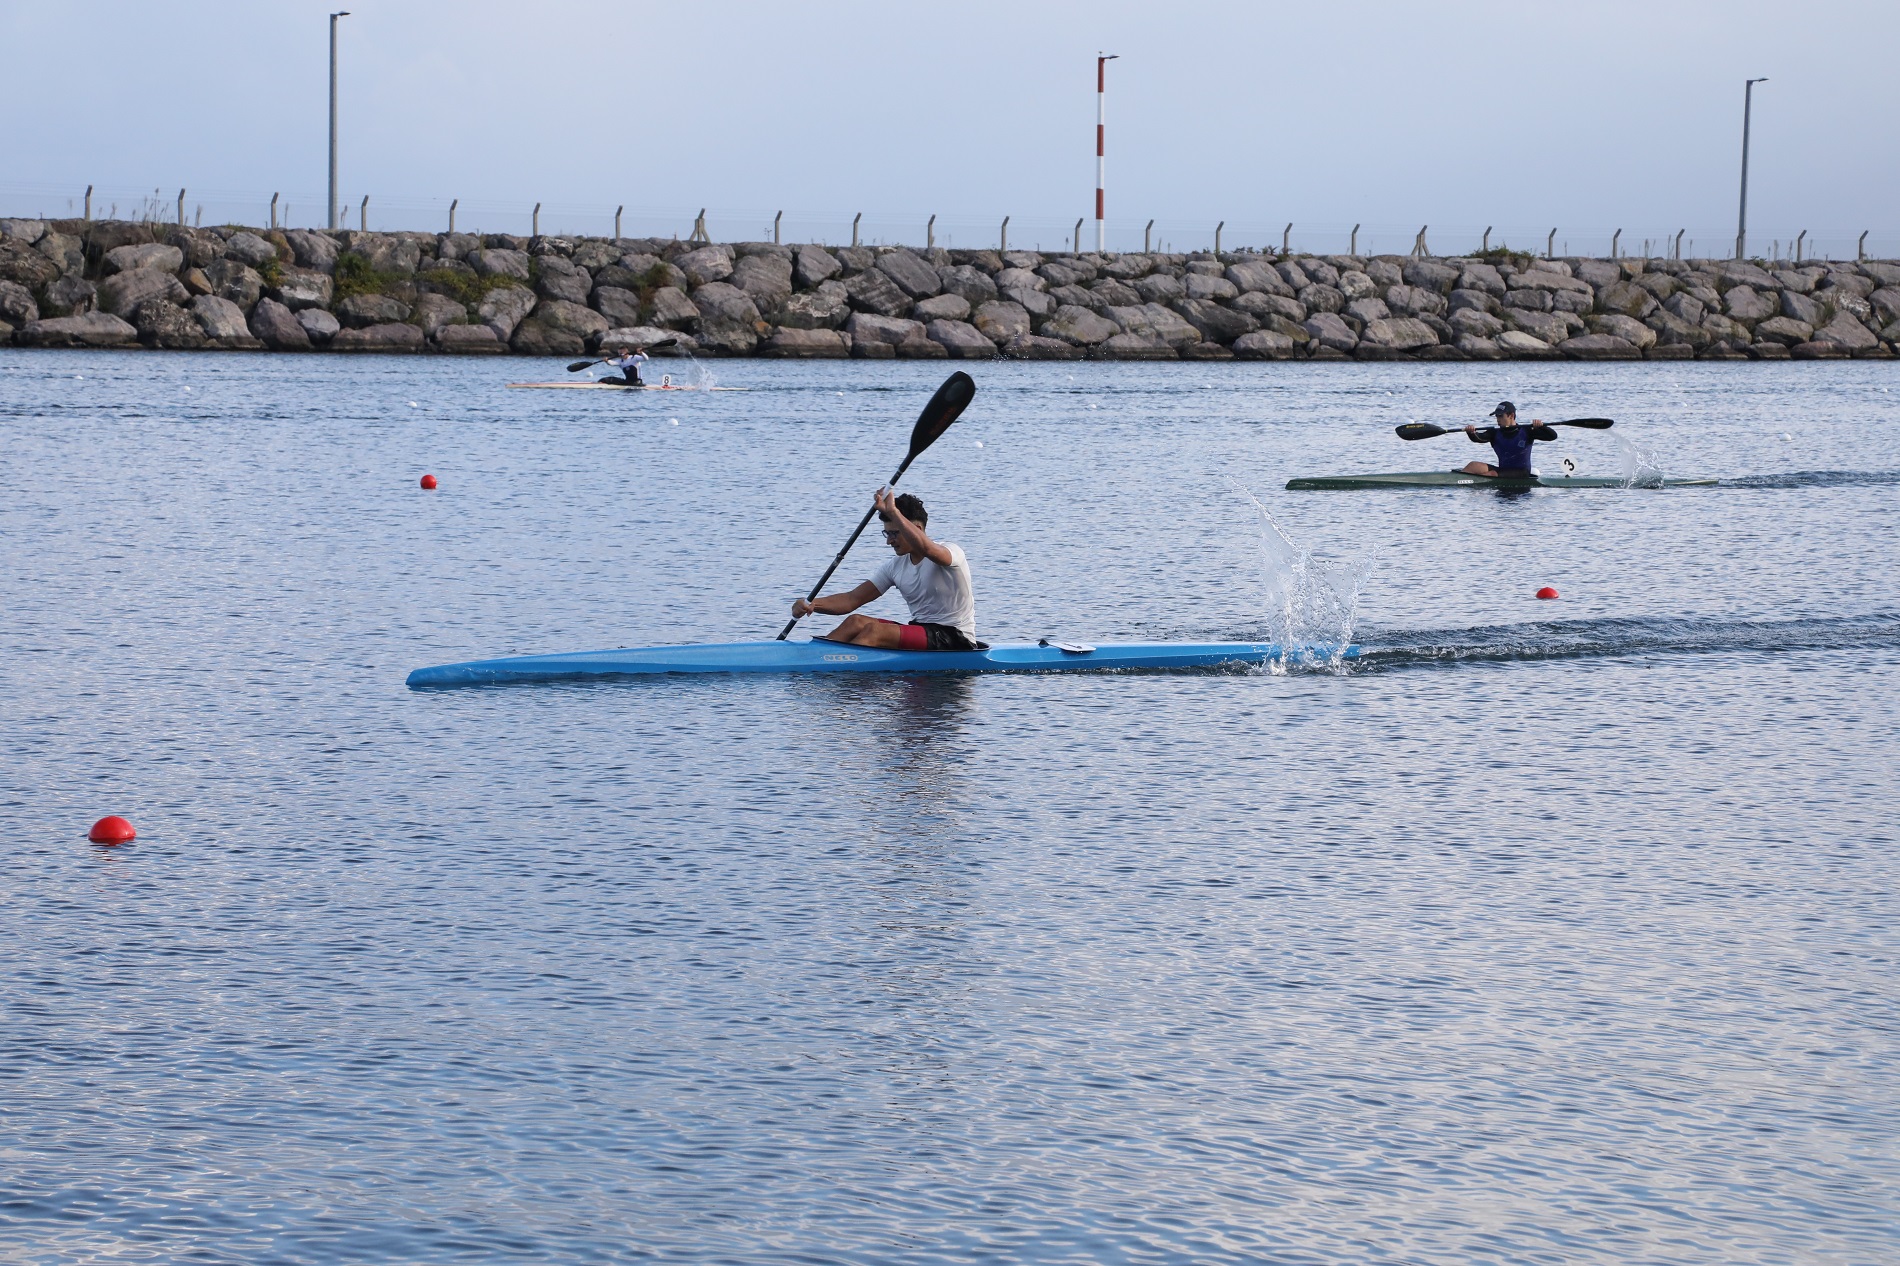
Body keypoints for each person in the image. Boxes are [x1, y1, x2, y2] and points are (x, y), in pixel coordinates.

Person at [791, 489, 982, 651]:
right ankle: (814, 659)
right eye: (887, 533)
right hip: (923, 631)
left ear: (916, 528)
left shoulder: (951, 552)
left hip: (956, 638)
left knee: (875, 631)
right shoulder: (895, 566)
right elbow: (851, 599)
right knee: (855, 622)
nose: (888, 541)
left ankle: (842, 679)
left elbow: (927, 549)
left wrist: (894, 512)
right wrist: (812, 604)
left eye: (894, 533)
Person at [1461, 401, 1557, 476]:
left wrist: (1542, 427)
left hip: (1521, 473)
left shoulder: (1527, 431)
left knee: (1492, 474)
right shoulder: (1494, 433)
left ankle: (1472, 482)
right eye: (1496, 416)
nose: (1497, 419)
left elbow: (1553, 436)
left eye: (1500, 416)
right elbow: (1479, 438)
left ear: (1511, 416)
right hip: (1503, 471)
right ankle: (1458, 480)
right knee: (1473, 466)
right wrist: (1471, 433)